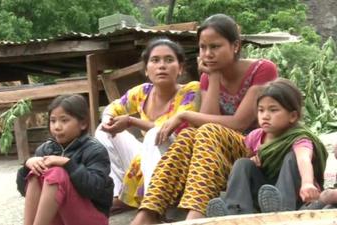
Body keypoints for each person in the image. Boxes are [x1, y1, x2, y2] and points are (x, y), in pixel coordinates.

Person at [131, 13, 278, 224]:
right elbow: (207, 120)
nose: (207, 54)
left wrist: (184, 114)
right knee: (190, 134)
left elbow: (239, 123)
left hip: (253, 148)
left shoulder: (262, 69)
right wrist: (214, 78)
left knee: (205, 131)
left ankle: (196, 214)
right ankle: (149, 211)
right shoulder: (208, 76)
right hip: (219, 150)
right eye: (203, 48)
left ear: (235, 46)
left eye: (215, 47)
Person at [95, 38, 201, 212]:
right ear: (146, 69)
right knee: (103, 130)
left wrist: (130, 120)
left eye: (169, 60)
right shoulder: (142, 92)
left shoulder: (191, 90)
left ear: (180, 68)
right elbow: (113, 108)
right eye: (155, 60)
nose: (161, 66)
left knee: (155, 135)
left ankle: (155, 203)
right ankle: (117, 194)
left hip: (177, 161)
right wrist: (110, 121)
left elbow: (168, 129)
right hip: (147, 159)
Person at [205, 78, 328, 217]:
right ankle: (235, 210)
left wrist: (307, 184)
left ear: (293, 116)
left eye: (273, 110)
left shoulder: (299, 138)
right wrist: (252, 160)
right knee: (242, 164)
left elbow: (304, 159)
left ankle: (281, 207)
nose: (265, 116)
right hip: (266, 197)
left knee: (291, 158)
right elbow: (247, 166)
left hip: (297, 196)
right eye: (261, 110)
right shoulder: (255, 137)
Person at [16, 94, 113, 225]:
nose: (57, 126)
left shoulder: (95, 150)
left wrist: (68, 164)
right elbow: (24, 192)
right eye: (53, 120)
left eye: (64, 120)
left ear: (83, 123)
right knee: (36, 171)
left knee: (57, 173)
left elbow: (93, 189)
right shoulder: (44, 150)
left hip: (90, 218)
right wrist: (27, 166)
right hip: (60, 217)